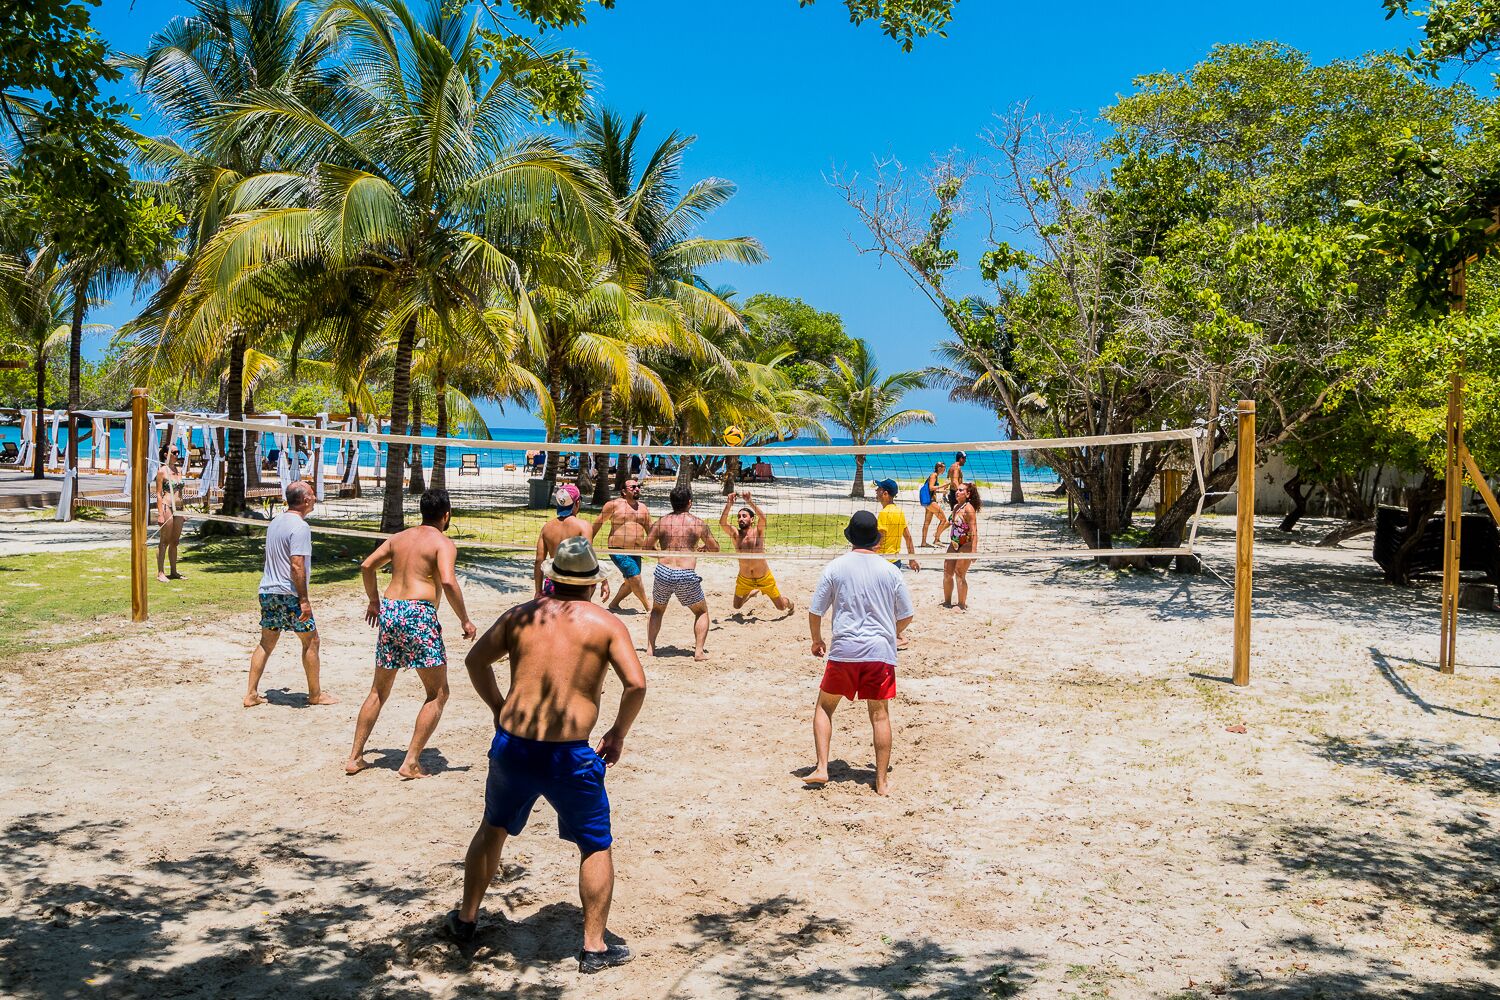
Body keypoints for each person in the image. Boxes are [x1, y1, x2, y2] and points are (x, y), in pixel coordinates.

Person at [448, 536, 646, 974]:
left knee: (493, 828)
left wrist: (500, 708)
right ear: (594, 584)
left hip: (514, 747)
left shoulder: (522, 615)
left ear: (552, 579)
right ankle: (593, 948)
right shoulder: (606, 623)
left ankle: (465, 921)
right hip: (570, 755)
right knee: (595, 844)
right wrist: (617, 732)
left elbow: (475, 662)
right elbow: (636, 684)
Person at [346, 488, 478, 779]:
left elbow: (367, 565)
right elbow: (448, 580)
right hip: (418, 614)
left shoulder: (399, 538)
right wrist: (465, 620)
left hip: (391, 611)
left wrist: (374, 601)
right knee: (438, 692)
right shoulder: (443, 543)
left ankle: (355, 757)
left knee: (378, 690)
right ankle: (411, 762)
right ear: (446, 515)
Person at [804, 510, 914, 796]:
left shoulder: (835, 567)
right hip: (879, 652)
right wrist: (893, 632)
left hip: (844, 650)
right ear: (876, 540)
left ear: (851, 537)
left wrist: (816, 640)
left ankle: (821, 767)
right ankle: (881, 781)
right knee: (879, 716)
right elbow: (907, 615)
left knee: (825, 707)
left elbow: (815, 611)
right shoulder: (890, 570)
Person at [245, 481, 336, 708]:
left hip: (268, 590)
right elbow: (297, 565)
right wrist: (303, 599)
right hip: (289, 593)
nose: (315, 498)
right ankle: (315, 695)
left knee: (266, 643)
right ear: (305, 500)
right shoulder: (300, 527)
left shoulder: (275, 522)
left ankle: (251, 694)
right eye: (313, 495)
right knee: (311, 641)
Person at [644, 484, 719, 660]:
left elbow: (646, 547)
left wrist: (661, 556)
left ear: (672, 503)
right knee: (701, 612)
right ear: (690, 503)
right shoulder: (698, 523)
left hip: (663, 571)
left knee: (656, 610)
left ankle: (650, 649)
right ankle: (699, 652)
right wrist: (702, 548)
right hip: (685, 574)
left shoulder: (662, 521)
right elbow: (715, 548)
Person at [719, 490, 794, 616]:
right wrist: (729, 504)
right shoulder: (735, 534)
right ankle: (752, 592)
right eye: (739, 517)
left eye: (744, 516)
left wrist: (750, 501)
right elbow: (722, 523)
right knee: (736, 606)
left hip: (764, 578)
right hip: (745, 579)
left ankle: (790, 603)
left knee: (781, 607)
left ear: (752, 519)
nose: (740, 519)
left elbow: (763, 518)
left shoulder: (758, 532)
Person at [535, 483, 609, 602]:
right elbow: (588, 557)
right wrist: (604, 581)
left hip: (554, 581)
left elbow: (539, 560)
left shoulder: (547, 528)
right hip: (578, 582)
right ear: (577, 502)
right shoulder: (583, 526)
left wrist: (538, 591)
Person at [590, 478, 653, 613]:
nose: (637, 489)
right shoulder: (613, 505)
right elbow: (597, 523)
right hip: (618, 549)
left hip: (636, 551)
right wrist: (587, 542)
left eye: (638, 486)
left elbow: (651, 531)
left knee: (631, 583)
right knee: (635, 578)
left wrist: (656, 549)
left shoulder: (643, 508)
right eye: (633, 487)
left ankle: (614, 604)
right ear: (623, 491)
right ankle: (649, 608)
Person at [943, 482, 981, 611]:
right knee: (947, 573)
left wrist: (974, 551)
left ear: (968, 494)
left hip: (966, 544)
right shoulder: (956, 507)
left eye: (961, 490)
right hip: (954, 543)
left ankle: (961, 604)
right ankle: (947, 602)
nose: (957, 492)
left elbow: (974, 531)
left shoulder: (969, 509)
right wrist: (937, 533)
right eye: (957, 490)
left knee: (959, 573)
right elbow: (950, 523)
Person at [873, 478, 920, 576]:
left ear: (885, 494)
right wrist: (912, 559)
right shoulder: (899, 512)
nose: (876, 491)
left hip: (883, 561)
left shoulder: (884, 513)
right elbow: (908, 538)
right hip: (896, 561)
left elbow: (879, 541)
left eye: (879, 488)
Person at [156, 444, 187, 582]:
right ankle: (160, 572)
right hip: (167, 506)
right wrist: (160, 514)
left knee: (175, 541)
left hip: (179, 508)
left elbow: (181, 492)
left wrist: (184, 510)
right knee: (165, 540)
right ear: (166, 455)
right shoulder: (162, 471)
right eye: (174, 452)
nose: (177, 454)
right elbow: (158, 494)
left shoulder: (179, 470)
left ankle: (173, 571)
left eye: (177, 452)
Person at [919, 461, 949, 547]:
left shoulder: (934, 476)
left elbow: (932, 490)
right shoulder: (934, 475)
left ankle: (923, 542)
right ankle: (936, 539)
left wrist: (942, 490)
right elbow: (931, 488)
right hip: (930, 501)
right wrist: (944, 485)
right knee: (943, 520)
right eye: (944, 468)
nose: (944, 470)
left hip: (929, 501)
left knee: (926, 523)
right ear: (939, 468)